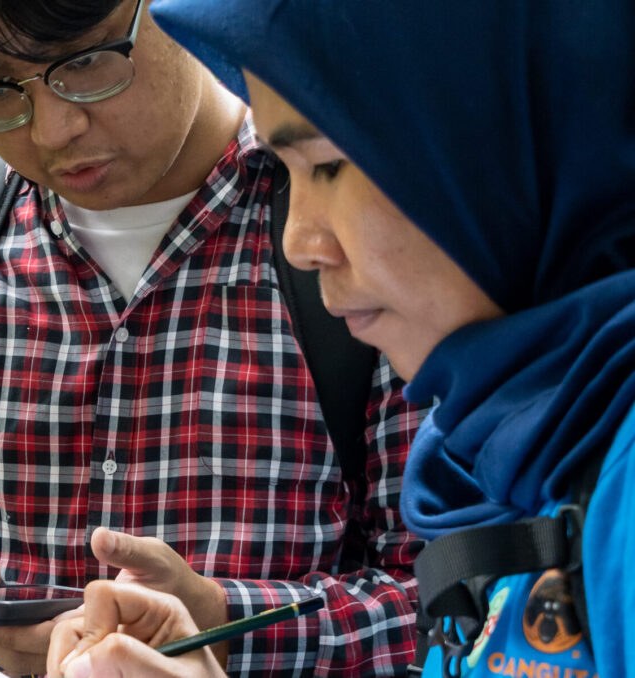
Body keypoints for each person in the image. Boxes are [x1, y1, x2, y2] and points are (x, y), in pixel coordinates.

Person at [0, 0, 429, 675]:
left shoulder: (352, 240)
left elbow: (456, 596)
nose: (54, 129)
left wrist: (227, 624)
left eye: (86, 62)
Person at [45, 0, 635, 676]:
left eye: (325, 165)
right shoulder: (498, 449)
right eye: (286, 172)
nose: (300, 242)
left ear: (493, 137)